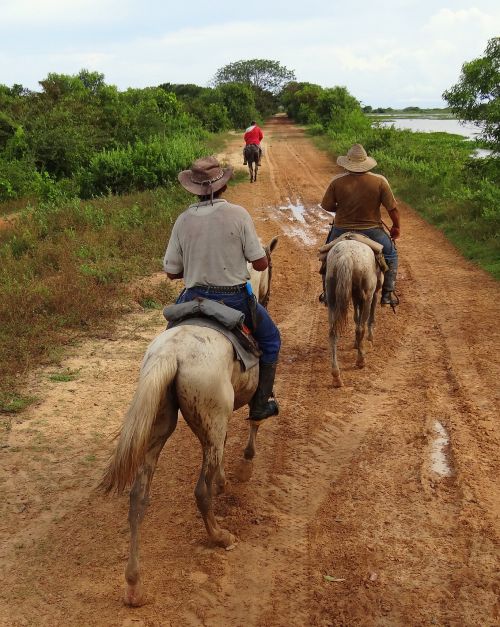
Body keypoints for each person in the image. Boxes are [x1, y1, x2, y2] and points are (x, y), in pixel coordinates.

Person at [163, 156, 280, 421]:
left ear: (193, 188)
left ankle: (162, 401)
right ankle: (261, 403)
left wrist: (194, 265)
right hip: (234, 300)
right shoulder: (238, 214)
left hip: (192, 297)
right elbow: (261, 264)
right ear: (224, 185)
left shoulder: (183, 220)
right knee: (271, 339)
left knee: (166, 342)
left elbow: (171, 272)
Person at [320, 143, 400, 306]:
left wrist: (341, 208)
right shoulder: (379, 181)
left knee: (327, 255)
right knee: (391, 254)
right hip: (372, 231)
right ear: (365, 162)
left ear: (347, 162)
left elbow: (326, 205)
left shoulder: (337, 181)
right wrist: (396, 226)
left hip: (341, 229)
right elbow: (392, 208)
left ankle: (328, 293)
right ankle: (387, 294)